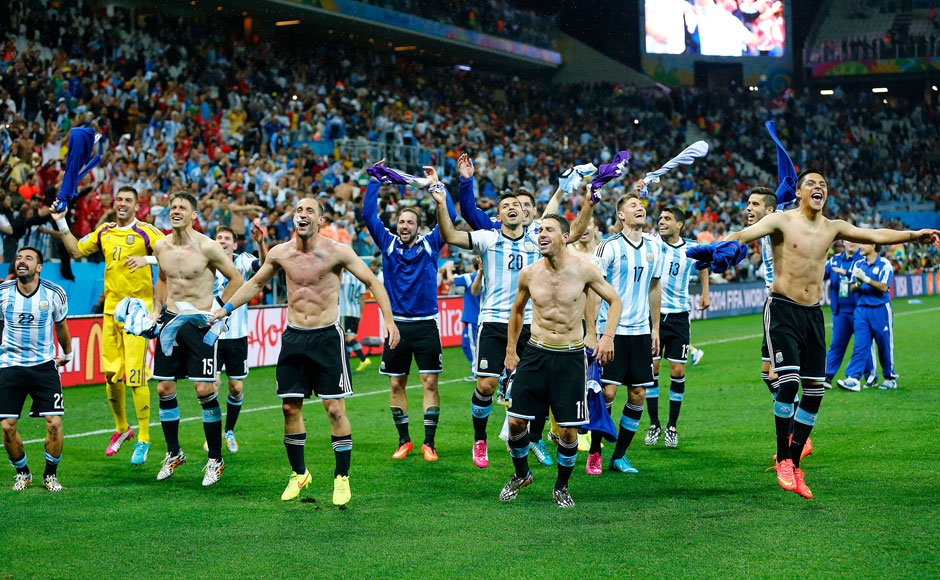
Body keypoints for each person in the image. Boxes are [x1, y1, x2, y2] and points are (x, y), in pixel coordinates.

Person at [724, 171, 938, 498]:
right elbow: (743, 234)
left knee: (815, 391)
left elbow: (873, 235)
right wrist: (715, 247)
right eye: (812, 183)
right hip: (782, 308)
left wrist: (912, 236)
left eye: (823, 184)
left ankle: (794, 464)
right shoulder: (781, 220)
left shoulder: (833, 227)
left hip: (813, 314)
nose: (818, 187)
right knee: (789, 382)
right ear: (798, 191)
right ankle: (783, 458)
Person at [209, 198, 399, 506]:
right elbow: (255, 284)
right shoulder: (280, 252)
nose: (302, 214)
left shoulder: (337, 251)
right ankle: (299, 474)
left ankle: (341, 478)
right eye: (299, 210)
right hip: (294, 337)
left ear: (320, 221)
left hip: (327, 338)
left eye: (310, 210)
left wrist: (388, 320)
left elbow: (372, 281)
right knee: (289, 409)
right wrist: (224, 309)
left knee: (335, 410)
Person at [495, 213, 622, 508]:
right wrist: (511, 350)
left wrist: (606, 337)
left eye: (548, 229)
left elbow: (614, 300)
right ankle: (521, 474)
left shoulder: (584, 270)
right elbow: (516, 311)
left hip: (570, 357)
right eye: (539, 229)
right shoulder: (529, 273)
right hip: (535, 352)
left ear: (564, 237)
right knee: (515, 423)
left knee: (568, 431)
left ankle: (561, 487)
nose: (541, 234)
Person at [51, 185, 164, 465]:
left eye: (128, 200)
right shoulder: (105, 232)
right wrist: (61, 221)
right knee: (111, 376)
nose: (122, 203)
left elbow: (174, 254)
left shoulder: (147, 232)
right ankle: (122, 429)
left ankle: (144, 438)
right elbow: (76, 250)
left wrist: (147, 258)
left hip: (138, 316)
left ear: (138, 207)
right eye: (119, 200)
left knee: (136, 375)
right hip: (112, 314)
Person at [435, 188, 541, 468]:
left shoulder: (537, 241)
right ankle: (480, 439)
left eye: (516, 204)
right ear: (499, 214)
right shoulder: (488, 238)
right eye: (506, 205)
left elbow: (571, 232)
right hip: (494, 321)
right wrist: (440, 204)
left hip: (530, 323)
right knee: (486, 385)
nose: (512, 208)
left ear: (525, 212)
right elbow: (450, 235)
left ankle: (526, 440)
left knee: (530, 389)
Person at [362, 161, 457, 462]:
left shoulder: (431, 244)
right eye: (401, 222)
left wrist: (437, 186)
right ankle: (404, 440)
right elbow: (368, 215)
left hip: (426, 325)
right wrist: (376, 180)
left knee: (430, 382)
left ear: (418, 227)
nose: (404, 226)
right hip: (397, 327)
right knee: (395, 383)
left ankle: (430, 442)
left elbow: (451, 217)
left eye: (410, 223)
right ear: (397, 224)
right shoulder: (387, 243)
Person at [149, 193, 244, 487]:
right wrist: (155, 312)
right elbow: (163, 279)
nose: (176, 211)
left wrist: (218, 308)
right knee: (164, 388)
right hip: (170, 322)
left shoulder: (208, 246)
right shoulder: (160, 245)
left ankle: (215, 459)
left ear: (193, 215)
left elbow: (237, 279)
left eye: (182, 208)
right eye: (173, 207)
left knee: (204, 390)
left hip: (199, 323)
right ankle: (174, 452)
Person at [586, 184, 664, 475]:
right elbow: (592, 289)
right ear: (620, 214)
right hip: (612, 332)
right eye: (632, 206)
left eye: (641, 205)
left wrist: (655, 328)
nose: (639, 208)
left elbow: (655, 287)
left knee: (638, 395)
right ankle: (595, 450)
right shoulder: (609, 246)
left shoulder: (654, 247)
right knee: (606, 393)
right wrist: (593, 331)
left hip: (641, 332)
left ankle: (618, 456)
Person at [745, 187, 812, 462]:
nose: (748, 208)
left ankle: (796, 439)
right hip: (773, 305)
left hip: (784, 306)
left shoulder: (779, 226)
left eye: (755, 204)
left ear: (770, 211)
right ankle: (797, 434)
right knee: (768, 374)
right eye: (748, 203)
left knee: (784, 378)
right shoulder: (764, 231)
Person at [0, 247, 72, 492]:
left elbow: (61, 327)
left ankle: (50, 475)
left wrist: (68, 353)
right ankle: (23, 473)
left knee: (54, 423)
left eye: (28, 258)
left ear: (39, 267)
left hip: (43, 366)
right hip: (10, 366)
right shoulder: (2, 293)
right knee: (7, 426)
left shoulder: (55, 293)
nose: (22, 261)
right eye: (19, 257)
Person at [645, 206, 710, 449]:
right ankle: (654, 424)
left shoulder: (691, 247)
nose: (661, 221)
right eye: (660, 218)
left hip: (680, 316)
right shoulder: (652, 243)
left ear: (679, 225)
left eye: (667, 219)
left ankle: (672, 426)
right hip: (653, 316)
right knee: (652, 369)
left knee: (677, 372)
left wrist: (705, 291)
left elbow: (703, 263)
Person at [205, 224, 267, 453]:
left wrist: (260, 243)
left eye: (226, 238)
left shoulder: (242, 261)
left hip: (237, 335)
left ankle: (229, 431)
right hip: (211, 334)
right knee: (211, 385)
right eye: (218, 237)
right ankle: (212, 433)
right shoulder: (206, 261)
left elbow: (262, 266)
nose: (222, 241)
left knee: (236, 387)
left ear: (234, 243)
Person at [838, 244, 899, 391]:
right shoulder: (859, 264)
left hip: (880, 309)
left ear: (873, 245)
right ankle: (854, 378)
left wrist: (865, 279)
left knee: (884, 345)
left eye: (864, 244)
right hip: (861, 309)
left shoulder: (885, 264)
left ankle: (889, 378)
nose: (860, 246)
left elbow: (884, 287)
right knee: (860, 344)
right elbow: (852, 287)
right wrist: (858, 283)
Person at [824, 241, 873, 389]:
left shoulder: (863, 260)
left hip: (860, 310)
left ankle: (870, 376)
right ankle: (826, 376)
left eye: (855, 240)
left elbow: (868, 277)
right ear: (843, 242)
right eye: (848, 239)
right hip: (840, 311)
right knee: (836, 345)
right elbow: (820, 275)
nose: (851, 243)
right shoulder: (834, 260)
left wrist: (847, 273)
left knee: (862, 344)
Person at [452, 258, 483, 382]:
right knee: (471, 345)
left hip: (473, 317)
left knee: (471, 346)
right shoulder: (487, 277)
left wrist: (449, 269)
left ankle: (476, 372)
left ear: (473, 265)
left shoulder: (471, 277)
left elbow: (451, 279)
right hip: (479, 317)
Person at [339, 269, 370, 372]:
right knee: (346, 338)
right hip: (355, 311)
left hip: (345, 311)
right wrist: (360, 313)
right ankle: (345, 365)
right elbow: (362, 298)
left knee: (348, 338)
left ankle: (363, 358)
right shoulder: (359, 279)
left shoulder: (343, 277)